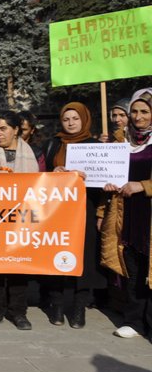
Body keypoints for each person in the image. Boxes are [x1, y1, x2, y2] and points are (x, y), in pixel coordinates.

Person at [0, 111, 45, 330]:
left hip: (23, 219)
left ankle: (19, 312)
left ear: (15, 130)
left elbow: (45, 184)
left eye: (3, 129)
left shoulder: (35, 154)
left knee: (19, 266)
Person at [42, 103, 107, 329]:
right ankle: (57, 304)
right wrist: (54, 173)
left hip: (85, 209)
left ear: (84, 120)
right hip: (57, 211)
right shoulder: (52, 144)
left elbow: (105, 179)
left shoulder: (96, 146)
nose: (70, 123)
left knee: (84, 256)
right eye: (66, 118)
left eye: (75, 119)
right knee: (56, 253)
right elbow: (40, 177)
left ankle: (79, 307)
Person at [102, 88, 152, 339]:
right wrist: (109, 182)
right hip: (127, 212)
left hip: (149, 213)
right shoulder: (121, 139)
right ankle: (134, 320)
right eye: (134, 111)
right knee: (132, 266)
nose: (138, 116)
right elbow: (110, 172)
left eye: (145, 111)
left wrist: (143, 185)